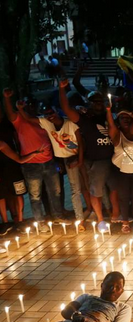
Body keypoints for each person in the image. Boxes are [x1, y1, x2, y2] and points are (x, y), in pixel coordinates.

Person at [59, 79, 120, 232]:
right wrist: (61, 89)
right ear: (89, 103)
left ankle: (116, 213)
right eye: (95, 101)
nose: (99, 103)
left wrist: (108, 111)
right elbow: (66, 109)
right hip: (96, 161)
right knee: (96, 191)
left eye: (101, 100)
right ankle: (100, 220)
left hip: (114, 159)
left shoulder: (109, 116)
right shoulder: (85, 119)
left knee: (114, 188)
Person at [3, 89, 64, 227]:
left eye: (32, 104)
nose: (29, 106)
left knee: (55, 192)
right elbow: (10, 113)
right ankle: (40, 221)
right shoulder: (19, 119)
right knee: (35, 195)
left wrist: (57, 160)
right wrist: (7, 99)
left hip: (49, 162)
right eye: (27, 104)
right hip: (31, 164)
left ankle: (58, 216)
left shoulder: (42, 120)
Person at [19, 103, 86, 227]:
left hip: (75, 157)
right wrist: (20, 109)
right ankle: (74, 216)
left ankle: (85, 215)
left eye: (51, 112)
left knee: (79, 186)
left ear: (57, 111)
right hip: (61, 159)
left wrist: (80, 160)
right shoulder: (46, 122)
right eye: (47, 114)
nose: (50, 116)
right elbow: (28, 119)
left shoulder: (70, 124)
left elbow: (81, 143)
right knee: (66, 189)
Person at [27, 272, 132, 322]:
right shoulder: (87, 297)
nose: (113, 289)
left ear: (122, 291)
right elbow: (66, 310)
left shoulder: (123, 308)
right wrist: (75, 316)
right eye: (109, 285)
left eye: (118, 287)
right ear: (102, 285)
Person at [107, 108, 133, 234]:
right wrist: (108, 110)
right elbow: (111, 125)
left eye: (128, 118)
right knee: (123, 197)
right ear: (119, 121)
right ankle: (125, 222)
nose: (126, 120)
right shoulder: (118, 136)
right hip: (122, 171)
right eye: (122, 118)